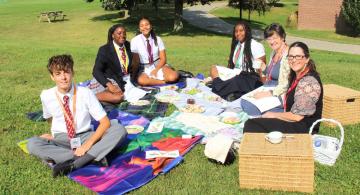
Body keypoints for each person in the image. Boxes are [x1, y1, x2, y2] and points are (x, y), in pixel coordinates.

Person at [27, 55, 127, 177]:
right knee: (32, 143)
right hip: (62, 138)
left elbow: (105, 122)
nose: (63, 77)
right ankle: (93, 157)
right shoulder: (46, 95)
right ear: (52, 77)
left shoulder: (85, 93)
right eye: (58, 74)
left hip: (85, 136)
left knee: (119, 129)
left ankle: (75, 163)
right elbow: (49, 118)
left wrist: (88, 144)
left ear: (72, 73)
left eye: (67, 72)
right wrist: (52, 135)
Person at [243, 42, 323, 134]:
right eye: (291, 56)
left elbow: (297, 116)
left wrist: (273, 115)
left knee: (252, 125)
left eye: (298, 56)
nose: (294, 60)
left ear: (306, 59)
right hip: (294, 121)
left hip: (303, 129)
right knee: (257, 117)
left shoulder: (309, 82)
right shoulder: (296, 74)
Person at [241, 23, 290, 116]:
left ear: (282, 37)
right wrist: (264, 68)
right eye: (269, 39)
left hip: (281, 94)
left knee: (250, 106)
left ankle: (260, 125)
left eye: (275, 38)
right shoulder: (274, 53)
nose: (272, 42)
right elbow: (273, 73)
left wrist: (269, 93)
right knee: (244, 100)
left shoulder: (288, 55)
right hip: (269, 88)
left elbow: (286, 84)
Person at [90, 24, 147, 104]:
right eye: (119, 33)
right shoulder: (104, 50)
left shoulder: (129, 46)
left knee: (131, 94)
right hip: (109, 79)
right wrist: (109, 86)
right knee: (119, 97)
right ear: (113, 35)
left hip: (124, 79)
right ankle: (91, 96)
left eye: (124, 33)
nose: (122, 35)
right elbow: (96, 71)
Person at [209, 21, 266, 101]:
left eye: (241, 30)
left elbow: (262, 70)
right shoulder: (237, 44)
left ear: (247, 31)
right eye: (236, 31)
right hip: (235, 73)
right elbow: (231, 65)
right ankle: (223, 88)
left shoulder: (256, 46)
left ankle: (219, 87)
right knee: (214, 68)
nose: (238, 33)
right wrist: (226, 73)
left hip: (250, 77)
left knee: (236, 81)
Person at [131, 17, 179, 86]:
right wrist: (134, 75)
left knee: (172, 77)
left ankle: (174, 74)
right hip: (144, 68)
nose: (144, 27)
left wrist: (156, 70)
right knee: (142, 81)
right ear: (139, 28)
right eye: (142, 26)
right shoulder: (134, 41)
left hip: (158, 65)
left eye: (147, 24)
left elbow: (163, 59)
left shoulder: (158, 39)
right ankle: (165, 83)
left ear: (151, 26)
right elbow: (135, 61)